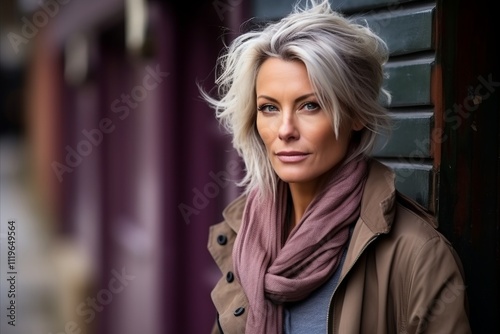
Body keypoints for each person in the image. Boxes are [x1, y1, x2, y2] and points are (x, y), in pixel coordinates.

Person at [200, 0, 472, 333]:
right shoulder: (244, 234)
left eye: (310, 105)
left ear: (356, 114)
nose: (285, 130)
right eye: (269, 108)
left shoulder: (418, 256)